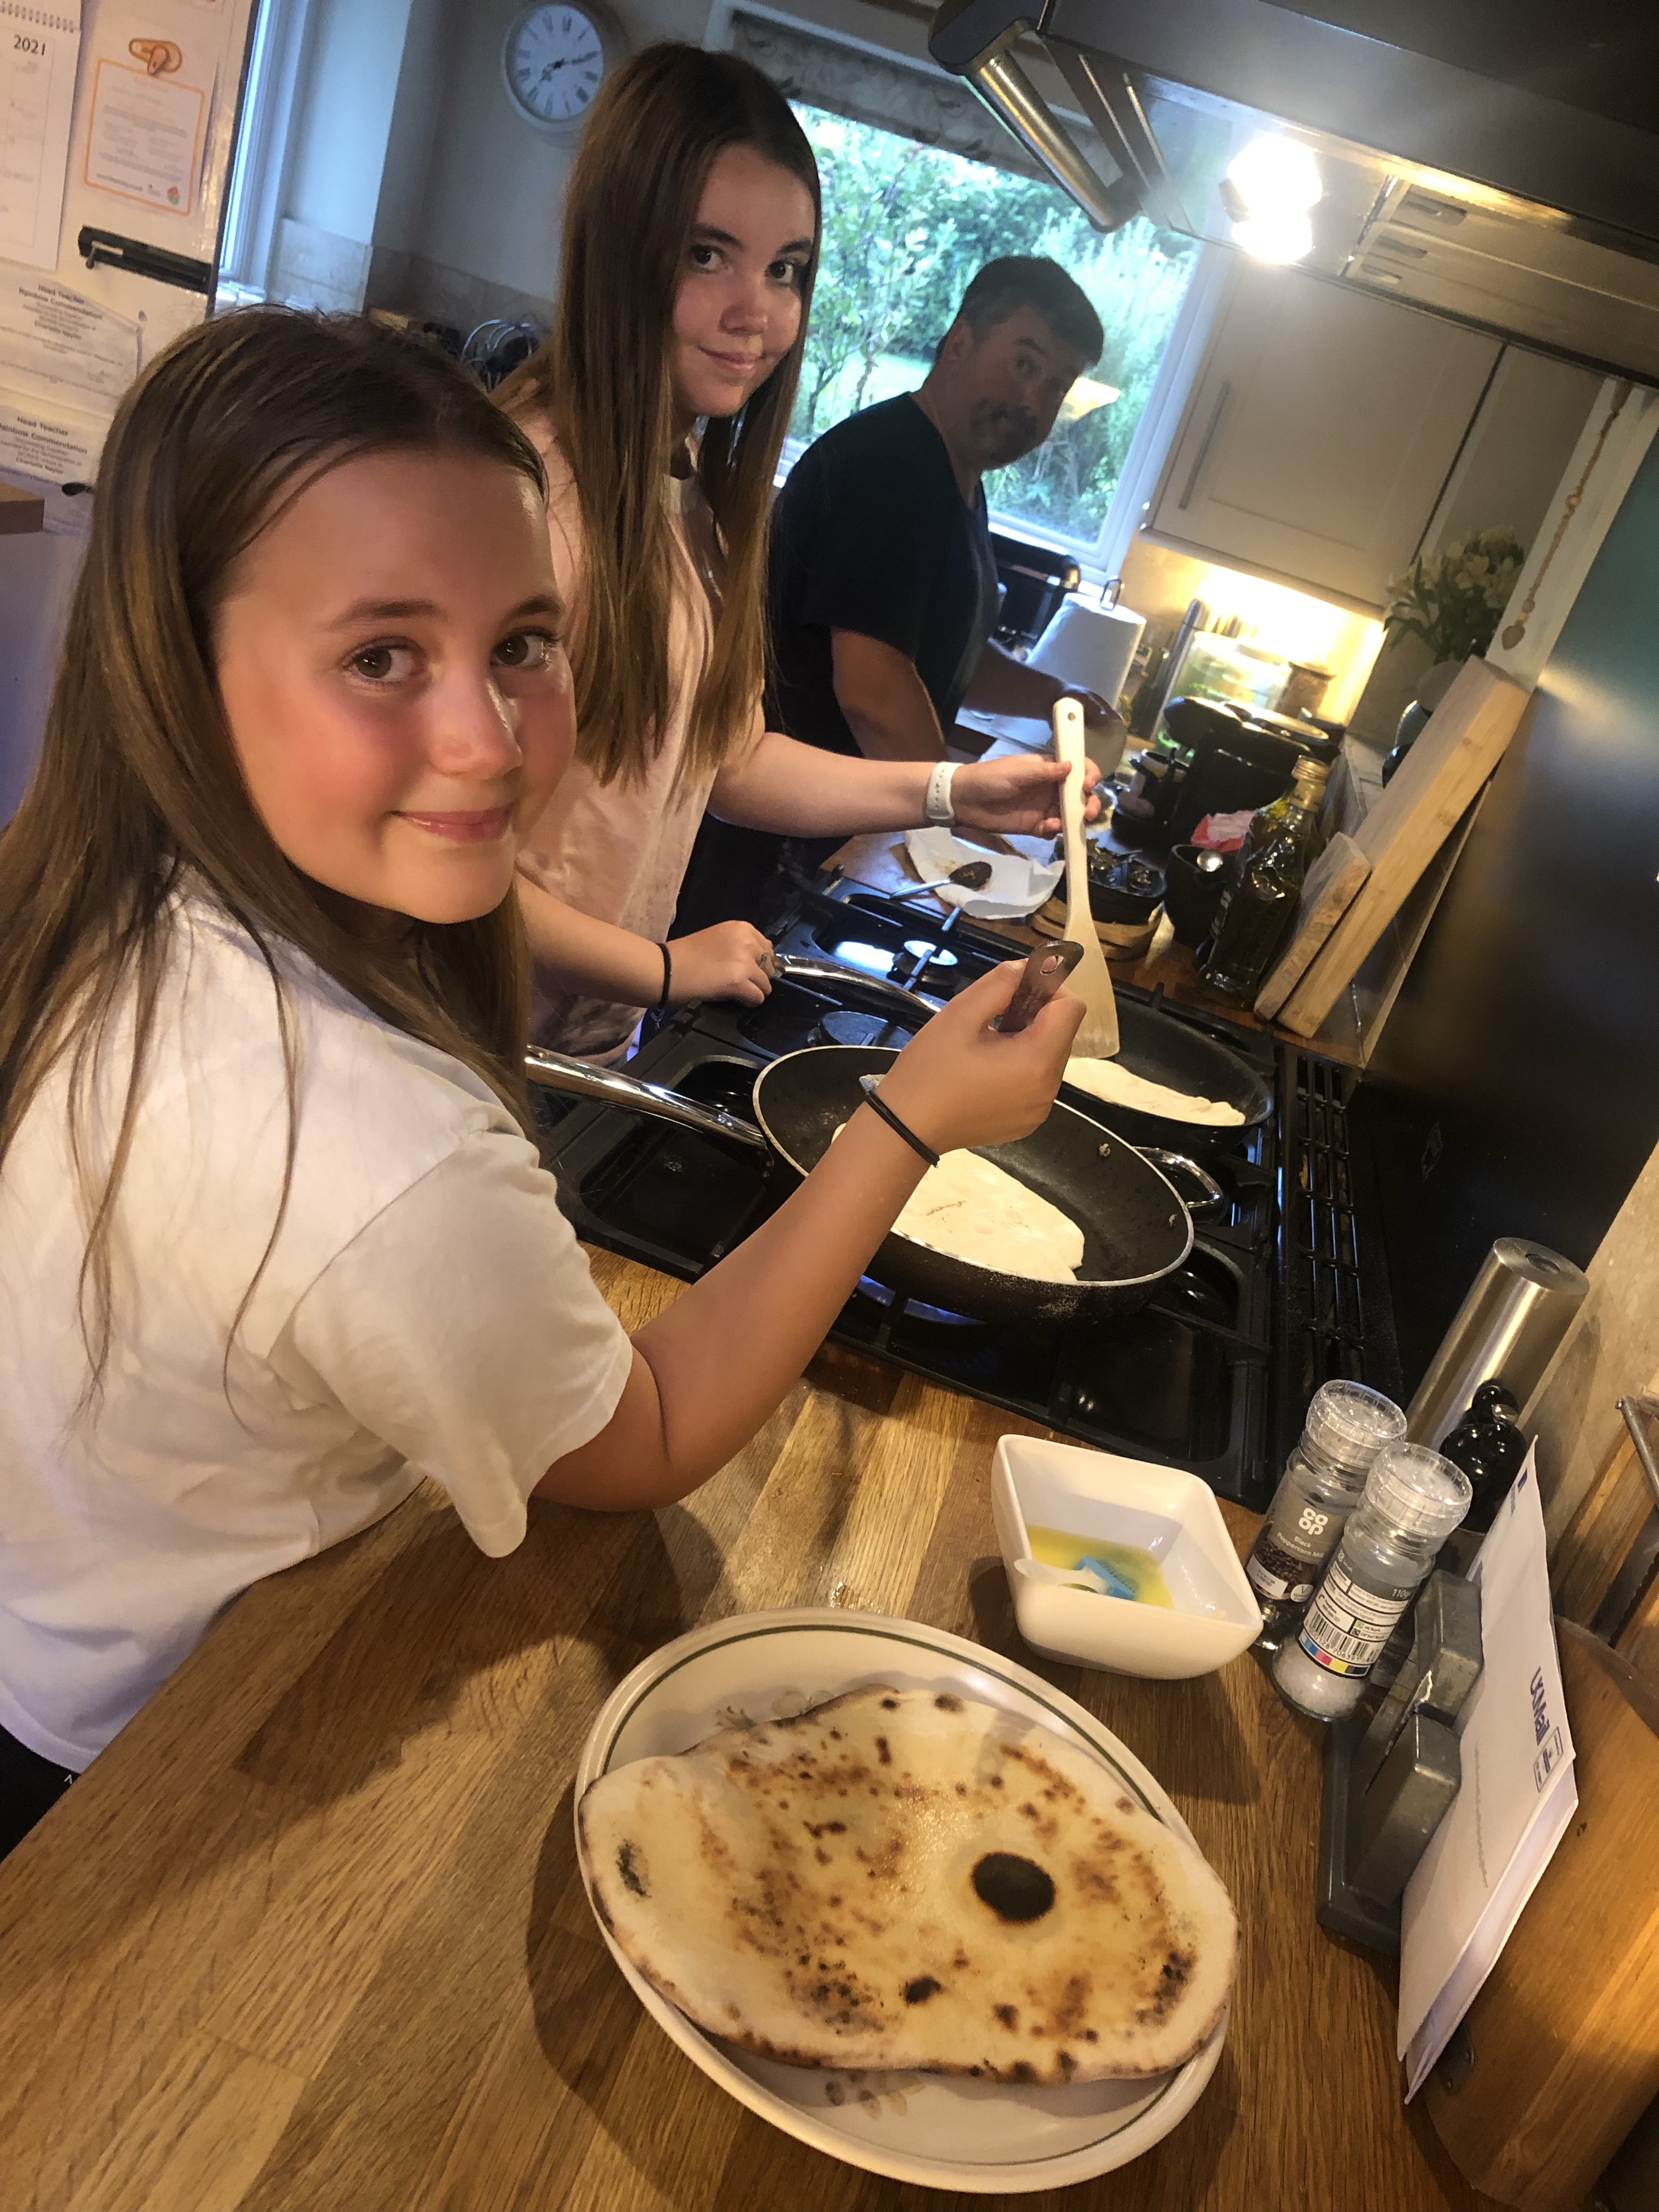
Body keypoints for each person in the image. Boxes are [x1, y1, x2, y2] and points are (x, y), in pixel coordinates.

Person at [0, 309, 1083, 1859]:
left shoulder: (101, 899)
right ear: (186, 669)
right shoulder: (374, 1152)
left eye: (522, 641)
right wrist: (911, 1121)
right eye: (381, 655)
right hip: (132, 1768)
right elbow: (644, 1436)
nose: (489, 737)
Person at [495, 47, 1102, 1064]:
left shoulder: (689, 493)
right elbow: (432, 857)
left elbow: (728, 758)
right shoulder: (525, 498)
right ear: (620, 248)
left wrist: (955, 792)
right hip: (469, 1039)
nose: (759, 312)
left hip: (572, 1046)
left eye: (785, 269)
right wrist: (661, 969)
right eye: (706, 254)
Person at [674, 255, 1121, 934]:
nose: (1033, 401)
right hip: (772, 847)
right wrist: (964, 818)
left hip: (827, 835)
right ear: (960, 341)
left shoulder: (953, 477)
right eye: (1024, 364)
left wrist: (1055, 698)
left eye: (1056, 385)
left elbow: (942, 649)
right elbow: (874, 690)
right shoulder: (889, 469)